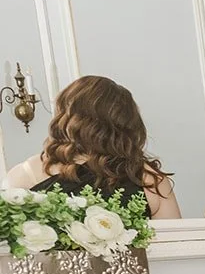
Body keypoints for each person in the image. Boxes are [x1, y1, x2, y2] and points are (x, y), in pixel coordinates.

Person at [4, 75, 182, 217]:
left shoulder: (27, 173)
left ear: (67, 117)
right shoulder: (149, 179)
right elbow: (175, 249)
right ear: (128, 123)